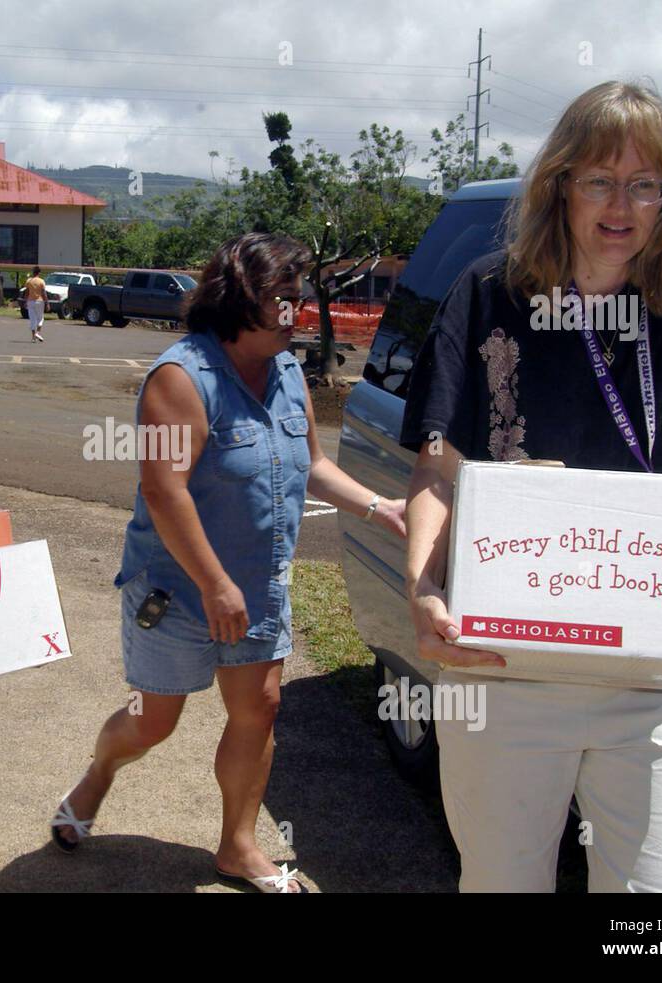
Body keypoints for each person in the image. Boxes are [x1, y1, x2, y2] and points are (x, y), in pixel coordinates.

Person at [400, 80, 662, 892]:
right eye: (600, 179)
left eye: (646, 183)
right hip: (503, 665)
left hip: (657, 674)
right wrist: (422, 586)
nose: (623, 204)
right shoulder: (487, 291)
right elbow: (437, 462)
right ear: (560, 182)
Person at [50, 233, 407, 892]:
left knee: (260, 706)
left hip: (258, 587)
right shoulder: (178, 379)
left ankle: (238, 846)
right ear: (237, 299)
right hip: (177, 591)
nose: (293, 313)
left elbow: (313, 466)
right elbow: (163, 489)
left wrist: (379, 507)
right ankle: (98, 773)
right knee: (153, 721)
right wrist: (214, 583)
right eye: (280, 299)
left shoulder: (290, 373)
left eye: (297, 299)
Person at [24, 266, 47, 342]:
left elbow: (26, 292)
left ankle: (33, 337)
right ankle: (38, 333)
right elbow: (43, 293)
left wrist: (25, 301)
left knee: (32, 319)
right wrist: (47, 302)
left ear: (33, 272)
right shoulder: (41, 281)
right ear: (39, 273)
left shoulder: (29, 281)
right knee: (40, 318)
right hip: (39, 301)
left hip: (30, 301)